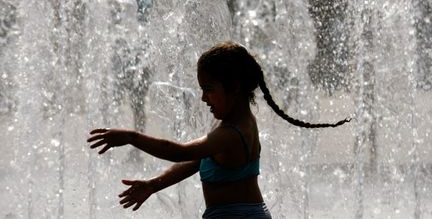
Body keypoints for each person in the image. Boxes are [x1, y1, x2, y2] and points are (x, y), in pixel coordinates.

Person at [87, 41, 350, 218]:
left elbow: (178, 152)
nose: (204, 98)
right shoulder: (229, 126)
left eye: (209, 89)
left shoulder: (232, 134)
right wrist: (153, 185)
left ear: (234, 87)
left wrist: (131, 137)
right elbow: (197, 160)